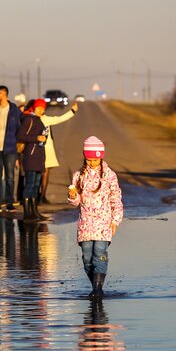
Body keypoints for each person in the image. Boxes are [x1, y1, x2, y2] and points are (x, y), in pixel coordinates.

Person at [67, 136, 124, 300]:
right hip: (85, 224)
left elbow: (116, 199)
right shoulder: (78, 175)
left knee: (100, 252)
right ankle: (94, 286)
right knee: (87, 258)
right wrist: (72, 196)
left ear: (101, 157)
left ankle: (98, 289)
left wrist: (115, 221)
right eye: (89, 160)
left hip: (103, 223)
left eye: (95, 160)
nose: (92, 163)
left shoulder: (109, 175)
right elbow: (76, 202)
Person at [0, 85, 23, 212]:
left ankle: (9, 203)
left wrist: (18, 147)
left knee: (10, 177)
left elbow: (20, 127)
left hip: (10, 149)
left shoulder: (14, 110)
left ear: (4, 94)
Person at [39, 100, 79, 203]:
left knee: (41, 174)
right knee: (43, 174)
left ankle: (39, 197)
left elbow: (59, 119)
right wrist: (72, 111)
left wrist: (72, 111)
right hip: (44, 149)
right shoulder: (43, 119)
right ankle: (41, 197)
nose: (40, 110)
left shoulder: (37, 119)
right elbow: (60, 118)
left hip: (41, 149)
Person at [16, 98, 49, 221]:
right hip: (30, 156)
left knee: (36, 186)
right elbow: (20, 136)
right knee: (29, 185)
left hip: (39, 157)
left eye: (43, 109)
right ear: (34, 108)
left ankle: (34, 211)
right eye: (39, 108)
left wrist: (43, 138)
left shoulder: (39, 120)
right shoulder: (28, 119)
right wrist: (36, 138)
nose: (41, 110)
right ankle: (27, 213)